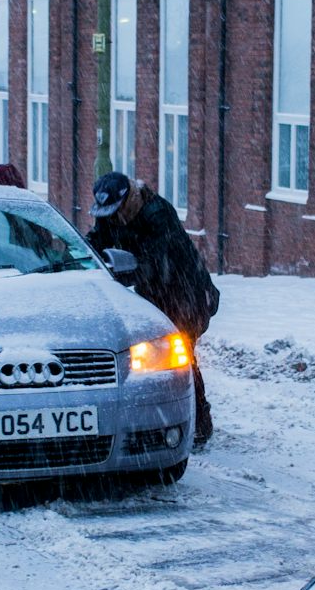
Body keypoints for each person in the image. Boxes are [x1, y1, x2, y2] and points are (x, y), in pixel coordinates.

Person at [86, 171, 220, 448]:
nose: (111, 218)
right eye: (105, 212)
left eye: (114, 211)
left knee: (180, 355)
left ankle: (198, 422)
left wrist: (124, 271)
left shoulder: (158, 214)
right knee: (162, 357)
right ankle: (163, 416)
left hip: (188, 295)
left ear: (127, 201)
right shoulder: (110, 216)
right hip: (157, 297)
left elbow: (154, 261)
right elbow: (96, 243)